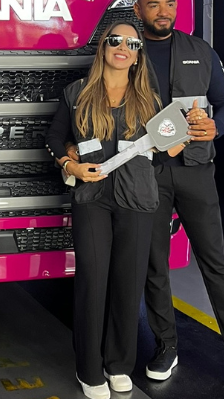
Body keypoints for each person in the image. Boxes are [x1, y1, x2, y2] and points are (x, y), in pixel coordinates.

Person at [131, 0, 224, 396]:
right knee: (155, 265)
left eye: (169, 4)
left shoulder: (201, 50)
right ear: (138, 10)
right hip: (147, 172)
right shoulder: (127, 53)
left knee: (215, 263)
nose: (163, 12)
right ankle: (166, 347)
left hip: (195, 170)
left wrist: (217, 126)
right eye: (154, 5)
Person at [46, 21, 188, 399]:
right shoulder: (76, 92)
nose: (122, 47)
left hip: (138, 199)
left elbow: (166, 150)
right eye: (115, 40)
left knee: (128, 284)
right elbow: (55, 137)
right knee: (92, 281)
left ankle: (118, 364)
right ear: (104, 48)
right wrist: (70, 165)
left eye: (131, 43)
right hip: (91, 198)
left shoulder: (151, 99)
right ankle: (89, 369)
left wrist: (178, 141)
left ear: (138, 54)